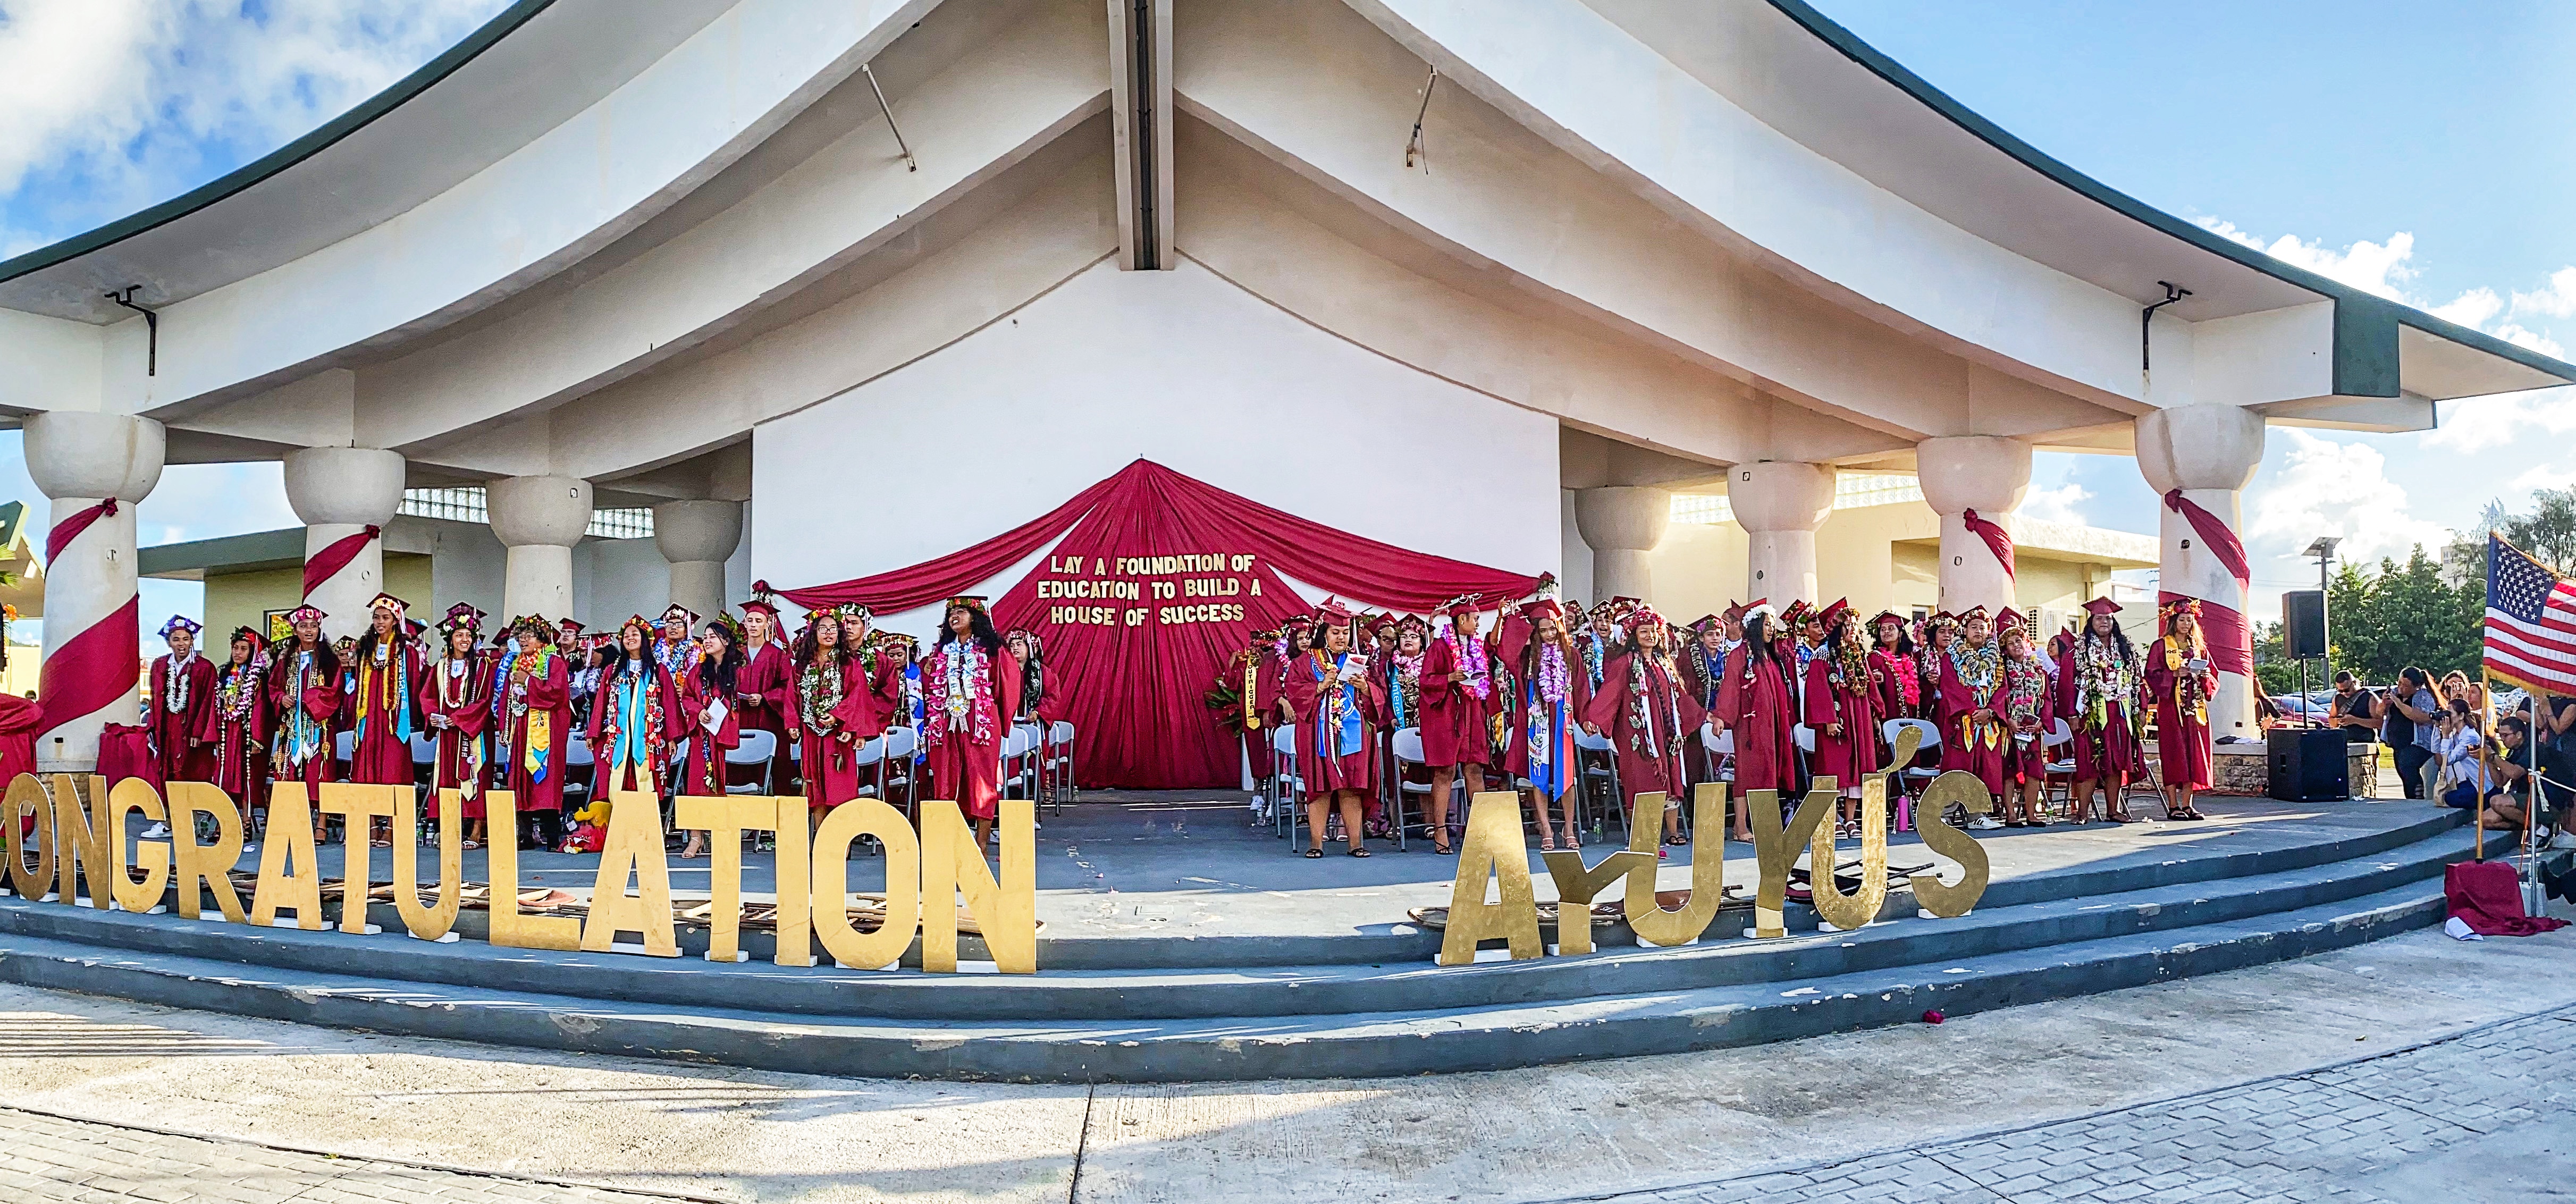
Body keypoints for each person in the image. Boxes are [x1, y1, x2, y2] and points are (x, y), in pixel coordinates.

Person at [1583, 604, 1705, 852]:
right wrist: (1593, 718)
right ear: (1633, 636)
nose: (1650, 636)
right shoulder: (1625, 663)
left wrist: (1705, 715)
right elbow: (1610, 692)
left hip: (1666, 731)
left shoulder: (1665, 664)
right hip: (1636, 733)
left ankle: (1672, 831)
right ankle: (1643, 833)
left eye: (1653, 631)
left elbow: (1680, 695)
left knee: (1670, 776)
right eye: (1644, 632)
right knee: (1643, 778)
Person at [1282, 601, 1384, 857]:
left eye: (1346, 632)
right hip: (1318, 734)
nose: (1341, 637)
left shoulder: (1360, 661)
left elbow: (1378, 693)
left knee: (1351, 786)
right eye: (1335, 632)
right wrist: (1319, 686)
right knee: (1321, 786)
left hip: (1355, 733)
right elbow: (1293, 691)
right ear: (1324, 633)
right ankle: (1316, 843)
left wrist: (1365, 688)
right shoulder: (1306, 662)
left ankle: (1356, 844)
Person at [920, 596, 1022, 851]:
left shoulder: (994, 651)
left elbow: (1007, 687)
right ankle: (948, 841)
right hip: (946, 722)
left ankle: (982, 842)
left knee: (982, 778)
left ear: (976, 617)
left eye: (962, 612)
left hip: (981, 723)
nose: (955, 616)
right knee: (946, 776)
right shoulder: (941, 651)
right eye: (952, 613)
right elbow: (931, 688)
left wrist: (998, 720)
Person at [1502, 599, 1589, 852]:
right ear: (1536, 633)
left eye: (1554, 628)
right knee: (1538, 777)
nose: (1550, 634)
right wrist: (1513, 619)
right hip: (1537, 722)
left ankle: (1569, 829)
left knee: (1567, 778)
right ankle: (1547, 829)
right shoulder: (1528, 657)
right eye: (1543, 630)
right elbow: (1505, 652)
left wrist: (1587, 719)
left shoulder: (1572, 655)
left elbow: (1582, 689)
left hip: (1564, 723)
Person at [346, 594, 425, 847]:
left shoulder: (406, 652)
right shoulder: (364, 650)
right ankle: (368, 825)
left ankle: (391, 827)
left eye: (386, 617)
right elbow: (357, 686)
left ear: (395, 620)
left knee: (394, 769)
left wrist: (413, 719)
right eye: (377, 617)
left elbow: (413, 686)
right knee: (366, 769)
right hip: (368, 719)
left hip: (393, 719)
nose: (380, 622)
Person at [1713, 604, 1797, 844]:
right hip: (1751, 726)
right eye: (1766, 624)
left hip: (1773, 726)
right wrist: (1722, 716)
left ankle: (1762, 824)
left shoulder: (1770, 657)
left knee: (1769, 773)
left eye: (1773, 625)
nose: (1771, 629)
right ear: (1754, 626)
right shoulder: (1740, 656)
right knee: (1748, 774)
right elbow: (1730, 688)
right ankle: (1740, 826)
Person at [1420, 595, 1496, 854]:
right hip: (1448, 714)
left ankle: (1480, 831)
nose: (1477, 623)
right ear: (1461, 619)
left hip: (1472, 712)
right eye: (1474, 619)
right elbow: (1426, 680)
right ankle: (1440, 831)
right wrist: (1451, 677)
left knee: (1475, 769)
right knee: (1446, 772)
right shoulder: (1440, 647)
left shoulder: (1477, 646)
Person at [1803, 601, 1884, 839]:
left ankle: (1850, 820)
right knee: (1834, 769)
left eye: (1855, 626)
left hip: (1859, 719)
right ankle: (1834, 818)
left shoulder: (1858, 656)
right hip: (1838, 721)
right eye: (1849, 626)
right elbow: (1818, 691)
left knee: (1857, 770)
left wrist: (1876, 714)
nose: (1854, 631)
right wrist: (1827, 719)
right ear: (1837, 629)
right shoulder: (1823, 656)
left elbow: (1869, 688)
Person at [2060, 598, 2145, 824]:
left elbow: (2137, 681)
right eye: (2099, 618)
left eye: (2108, 618)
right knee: (2089, 763)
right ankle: (2082, 813)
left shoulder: (2125, 649)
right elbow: (2067, 685)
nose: (2104, 622)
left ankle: (2113, 811)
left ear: (2113, 621)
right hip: (2089, 714)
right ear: (2092, 622)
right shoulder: (2077, 651)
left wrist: (2141, 710)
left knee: (2116, 763)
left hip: (2120, 713)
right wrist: (2071, 714)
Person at [491, 616, 573, 849]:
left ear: (542, 640)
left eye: (530, 636)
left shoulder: (553, 663)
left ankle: (552, 836)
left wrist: (530, 682)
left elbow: (557, 693)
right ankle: (525, 835)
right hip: (521, 730)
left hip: (547, 728)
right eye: (521, 636)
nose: (524, 640)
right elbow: (506, 699)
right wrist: (505, 728)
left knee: (546, 779)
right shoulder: (516, 664)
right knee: (520, 780)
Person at [421, 604, 493, 849]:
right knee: (446, 775)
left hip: (474, 731)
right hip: (447, 733)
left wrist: (462, 718)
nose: (465, 639)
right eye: (459, 635)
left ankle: (476, 828)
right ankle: (448, 826)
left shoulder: (483, 666)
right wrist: (432, 715)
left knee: (476, 775)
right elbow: (429, 695)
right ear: (450, 639)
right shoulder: (440, 667)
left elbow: (485, 699)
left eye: (469, 635)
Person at [2142, 599, 2220, 821]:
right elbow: (2151, 673)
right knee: (2174, 755)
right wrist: (2173, 675)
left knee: (2193, 756)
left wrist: (2205, 678)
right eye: (2182, 620)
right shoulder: (2161, 646)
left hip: (2195, 710)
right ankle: (2173, 805)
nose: (2186, 624)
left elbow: (2213, 675)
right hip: (2171, 709)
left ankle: (2188, 805)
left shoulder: (2199, 648)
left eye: (2190, 620)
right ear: (2174, 621)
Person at [266, 605, 341, 828]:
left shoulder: (330, 660)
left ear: (319, 629)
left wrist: (310, 698)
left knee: (320, 772)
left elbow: (335, 690)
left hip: (320, 727)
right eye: (303, 626)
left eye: (314, 626)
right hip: (291, 728)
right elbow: (273, 687)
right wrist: (281, 698)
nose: (309, 630)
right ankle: (293, 821)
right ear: (295, 631)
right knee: (289, 771)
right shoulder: (286, 660)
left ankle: (322, 823)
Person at [675, 620, 744, 859]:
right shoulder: (699, 670)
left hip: (722, 737)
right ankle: (696, 838)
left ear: (725, 641)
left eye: (713, 636)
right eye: (705, 636)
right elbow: (687, 697)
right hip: (701, 736)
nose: (707, 640)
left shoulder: (737, 670)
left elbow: (738, 698)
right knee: (695, 785)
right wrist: (699, 709)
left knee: (718, 783)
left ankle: (719, 834)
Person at [1939, 607, 2008, 829]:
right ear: (1965, 630)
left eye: (1983, 627)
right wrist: (1971, 711)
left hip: (1987, 721)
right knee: (1958, 765)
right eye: (1974, 627)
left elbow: (2002, 688)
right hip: (1962, 721)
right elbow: (1950, 687)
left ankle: (1976, 815)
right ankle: (1946, 814)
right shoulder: (1952, 656)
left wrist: (1991, 711)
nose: (1979, 631)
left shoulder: (1996, 659)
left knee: (1984, 765)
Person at [146, 617, 217, 832]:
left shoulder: (204, 668)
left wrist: (199, 731)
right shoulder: (160, 665)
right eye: (176, 639)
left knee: (191, 771)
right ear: (169, 642)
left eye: (186, 639)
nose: (181, 644)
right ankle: (169, 818)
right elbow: (155, 698)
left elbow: (208, 702)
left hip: (191, 730)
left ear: (192, 641)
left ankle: (192, 819)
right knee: (168, 771)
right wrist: (154, 728)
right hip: (168, 729)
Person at [206, 626, 272, 845]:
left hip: (248, 735)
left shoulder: (259, 676)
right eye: (235, 648)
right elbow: (216, 707)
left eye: (244, 649)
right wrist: (215, 734)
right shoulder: (224, 673)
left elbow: (262, 707)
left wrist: (257, 738)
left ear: (252, 652)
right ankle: (224, 821)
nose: (238, 653)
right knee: (225, 777)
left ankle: (246, 821)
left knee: (248, 779)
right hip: (228, 735)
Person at [1995, 611, 2056, 828]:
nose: (2016, 645)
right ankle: (2011, 815)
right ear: (2005, 649)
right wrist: (2007, 721)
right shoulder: (2001, 672)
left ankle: (2031, 814)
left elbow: (2047, 698)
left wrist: (2042, 721)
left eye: (2018, 640)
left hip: (2032, 729)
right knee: (2009, 771)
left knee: (2034, 772)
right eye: (2010, 643)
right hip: (2010, 729)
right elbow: (1999, 697)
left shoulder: (2038, 670)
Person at [734, 596, 797, 794]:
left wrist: (765, 697)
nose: (753, 625)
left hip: (769, 719)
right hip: (741, 718)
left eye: (758, 621)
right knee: (739, 768)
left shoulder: (778, 655)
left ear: (767, 624)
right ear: (744, 623)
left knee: (772, 769)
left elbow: (788, 687)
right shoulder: (736, 655)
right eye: (750, 620)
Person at [2484, 713, 2575, 846]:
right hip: (2528, 800)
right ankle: (2532, 826)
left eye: (2506, 735)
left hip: (2549, 803)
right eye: (2501, 735)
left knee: (2497, 802)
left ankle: (2540, 830)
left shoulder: (2534, 749)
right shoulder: (2515, 751)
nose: (2502, 740)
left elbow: (2515, 773)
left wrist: (2493, 756)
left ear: (2519, 735)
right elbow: (2500, 782)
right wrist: (2488, 760)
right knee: (2487, 819)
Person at [2379, 667, 2440, 800]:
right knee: (2403, 772)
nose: (2401, 688)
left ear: (2417, 686)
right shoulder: (2395, 693)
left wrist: (2398, 703)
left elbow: (2419, 717)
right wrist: (2384, 704)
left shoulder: (2424, 697)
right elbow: (2379, 713)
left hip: (2419, 744)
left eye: (2405, 686)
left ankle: (2418, 791)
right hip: (2397, 744)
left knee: (2407, 764)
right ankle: (2411, 799)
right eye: (2399, 683)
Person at [2430, 700, 2490, 813]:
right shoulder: (2457, 735)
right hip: (2472, 782)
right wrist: (2437, 728)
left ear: (2461, 716)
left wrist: (2446, 735)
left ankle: (2484, 806)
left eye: (2450, 713)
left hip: (2483, 786)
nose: (2447, 717)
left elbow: (2448, 760)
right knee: (2450, 794)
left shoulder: (2470, 736)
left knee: (2450, 798)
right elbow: (2436, 750)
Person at [1867, 610, 1916, 740]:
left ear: (1900, 633)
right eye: (1883, 629)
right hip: (1888, 712)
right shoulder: (1874, 658)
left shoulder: (1911, 659)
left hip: (1912, 713)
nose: (1886, 632)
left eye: (1891, 628)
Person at [1915, 612, 1958, 723]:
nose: (1947, 635)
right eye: (1942, 632)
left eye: (1951, 632)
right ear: (1934, 635)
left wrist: (1942, 681)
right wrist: (1927, 681)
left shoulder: (1961, 657)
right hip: (1930, 709)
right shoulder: (1921, 656)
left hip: (1953, 709)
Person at [2326, 671, 2379, 746]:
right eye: (2340, 691)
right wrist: (2338, 721)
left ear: (2354, 683)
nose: (2344, 693)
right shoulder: (2337, 698)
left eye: (2347, 690)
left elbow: (2380, 723)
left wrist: (2355, 720)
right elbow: (2331, 721)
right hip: (2345, 742)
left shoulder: (2369, 697)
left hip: (2366, 743)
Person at [653, 605, 697, 679]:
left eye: (679, 625)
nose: (673, 628)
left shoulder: (696, 652)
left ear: (686, 631)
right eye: (669, 625)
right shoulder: (655, 652)